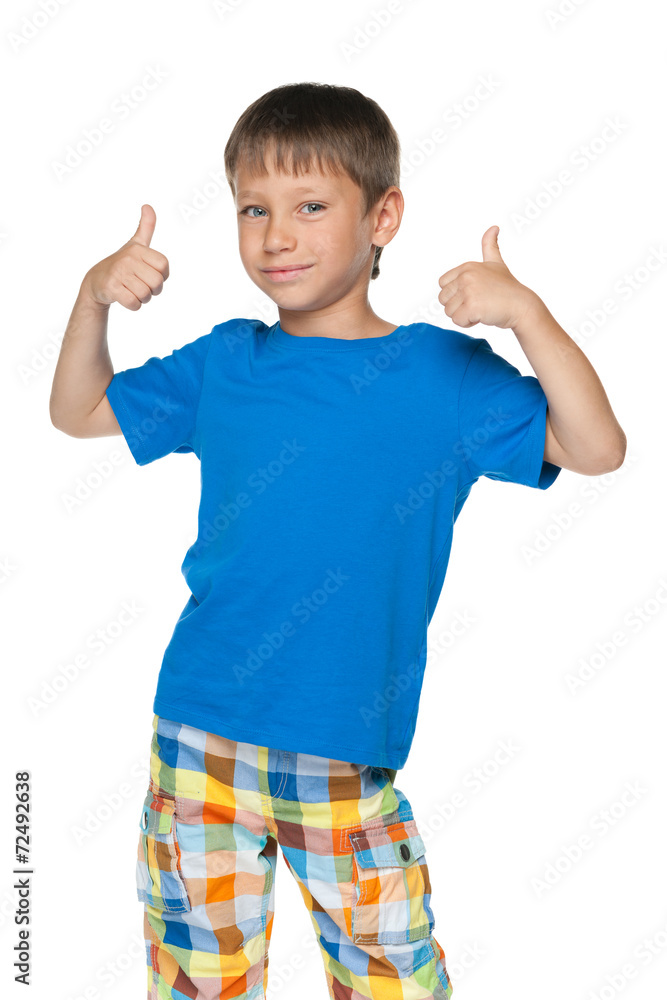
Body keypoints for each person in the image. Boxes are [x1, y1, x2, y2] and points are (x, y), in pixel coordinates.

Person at [49, 81, 626, 1000]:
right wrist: (93, 298)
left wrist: (526, 314)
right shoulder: (225, 359)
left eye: (310, 207)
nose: (276, 236)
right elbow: (77, 410)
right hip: (198, 735)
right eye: (254, 210)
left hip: (345, 751)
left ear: (382, 217)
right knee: (200, 982)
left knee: (391, 978)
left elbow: (596, 448)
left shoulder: (444, 374)